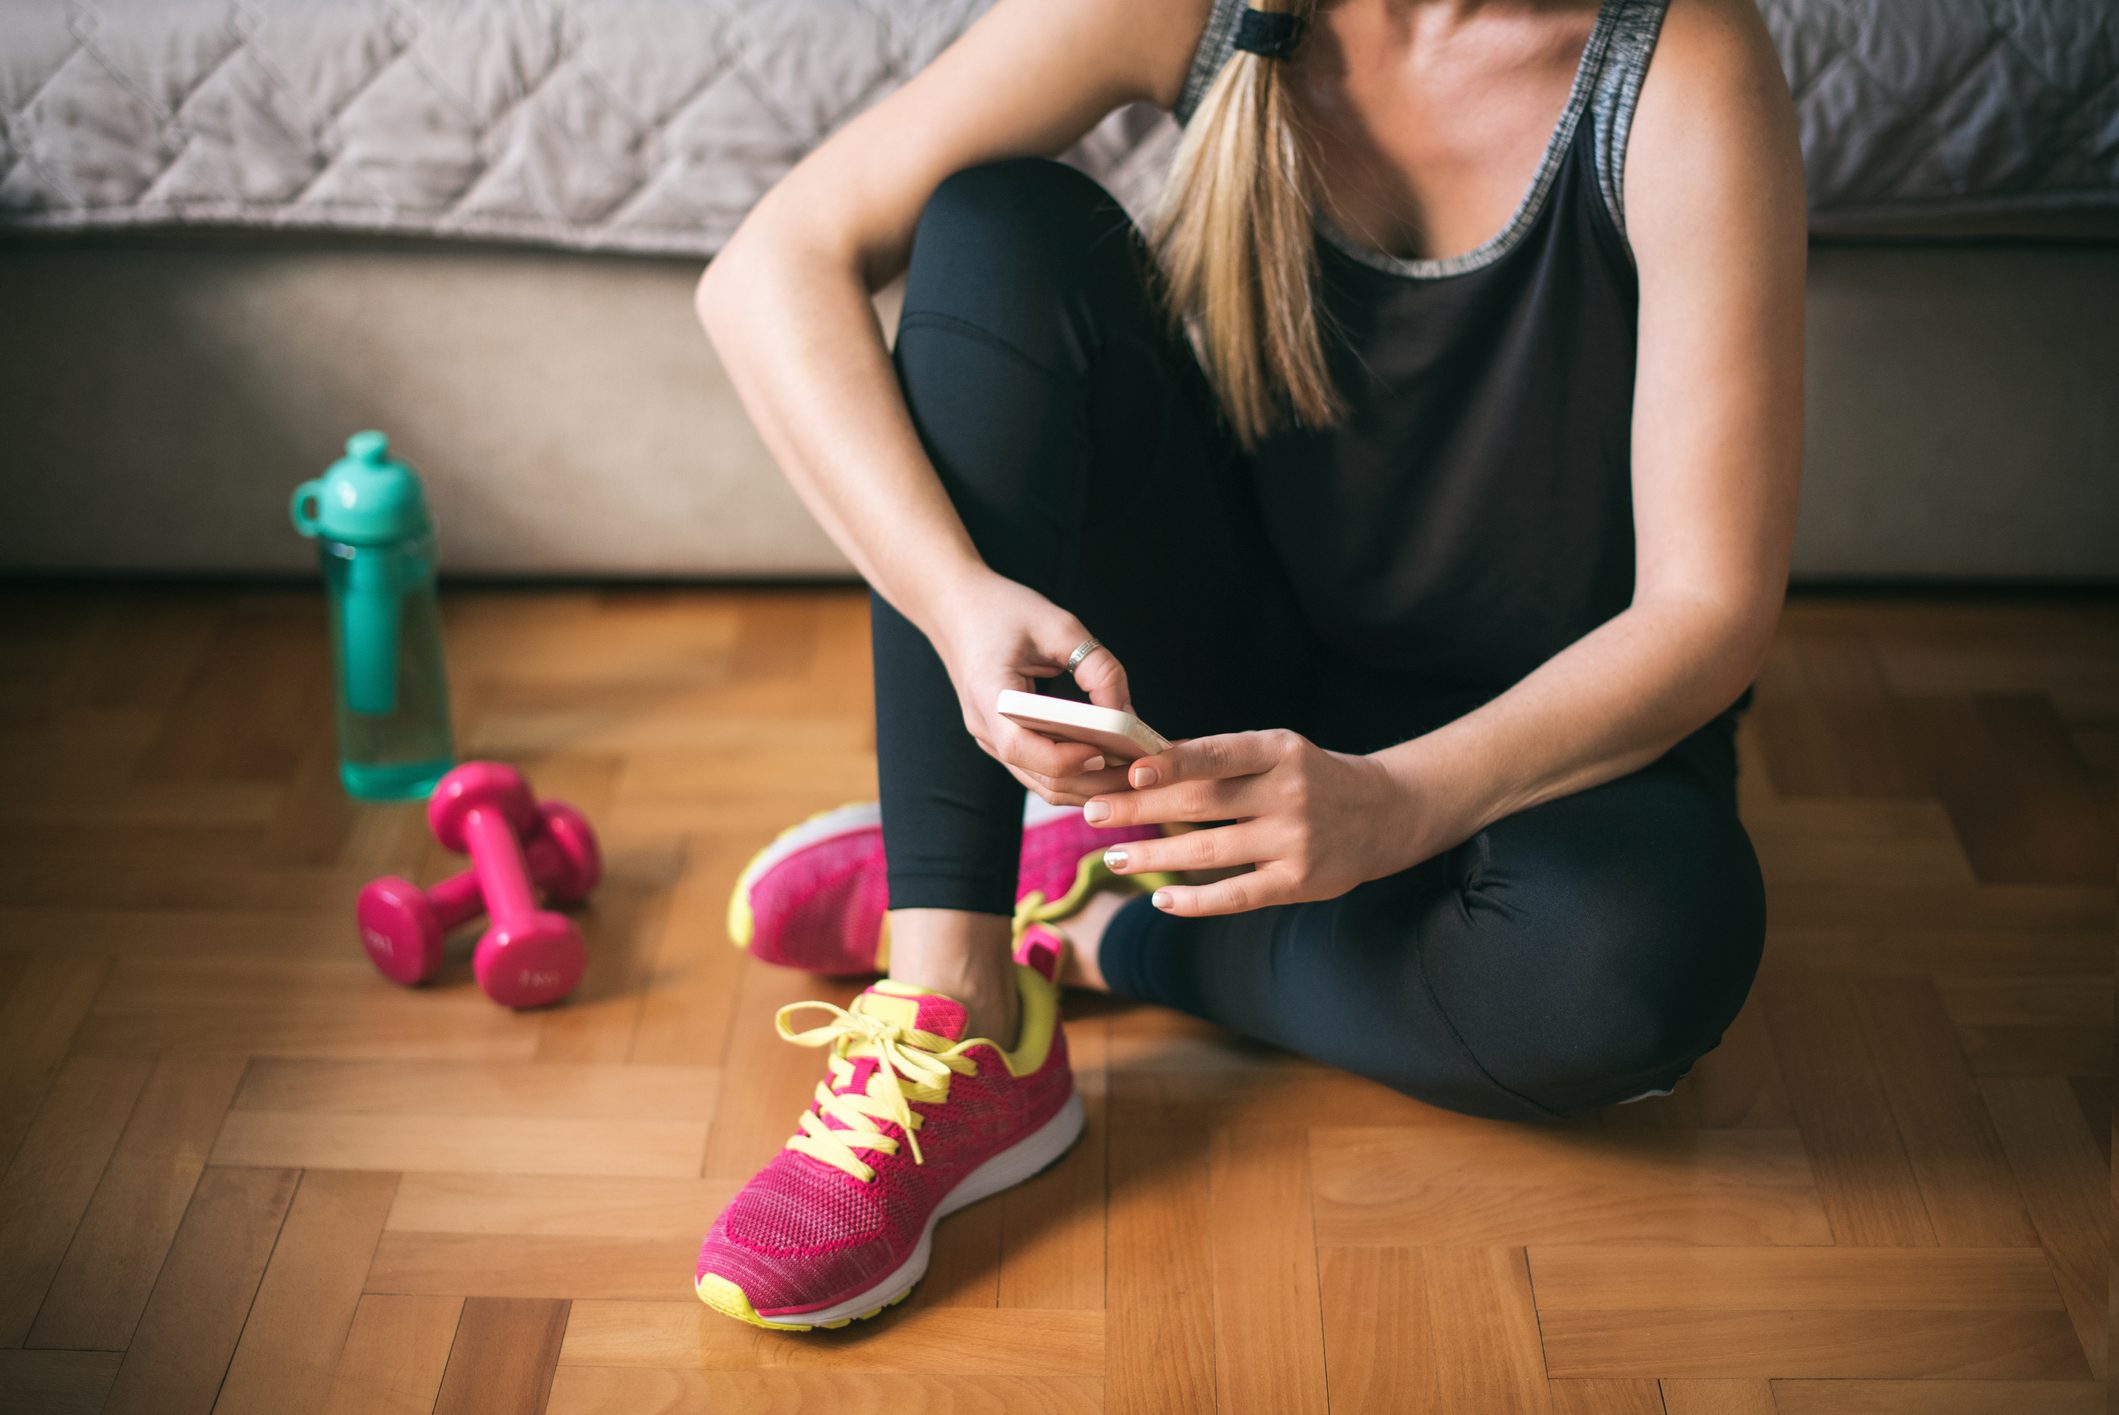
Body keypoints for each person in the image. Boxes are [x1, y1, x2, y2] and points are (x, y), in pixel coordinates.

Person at [688, 0, 1804, 1331]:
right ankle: (955, 996)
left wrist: (1400, 803)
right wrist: (952, 599)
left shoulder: (1681, 57)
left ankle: (1093, 915)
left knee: (1627, 977)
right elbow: (769, 269)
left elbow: (1708, 609)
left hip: (1555, 735)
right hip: (1246, 665)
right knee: (995, 224)